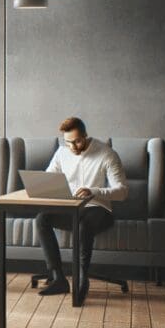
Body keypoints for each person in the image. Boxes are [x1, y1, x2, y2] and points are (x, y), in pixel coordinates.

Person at [34, 117, 127, 296]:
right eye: (68, 142)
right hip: (71, 208)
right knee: (42, 219)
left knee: (84, 225)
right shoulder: (62, 152)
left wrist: (93, 191)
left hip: (98, 209)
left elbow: (122, 192)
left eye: (77, 141)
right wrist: (43, 187)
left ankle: (81, 279)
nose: (73, 147)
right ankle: (58, 278)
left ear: (85, 135)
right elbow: (48, 179)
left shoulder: (107, 154)